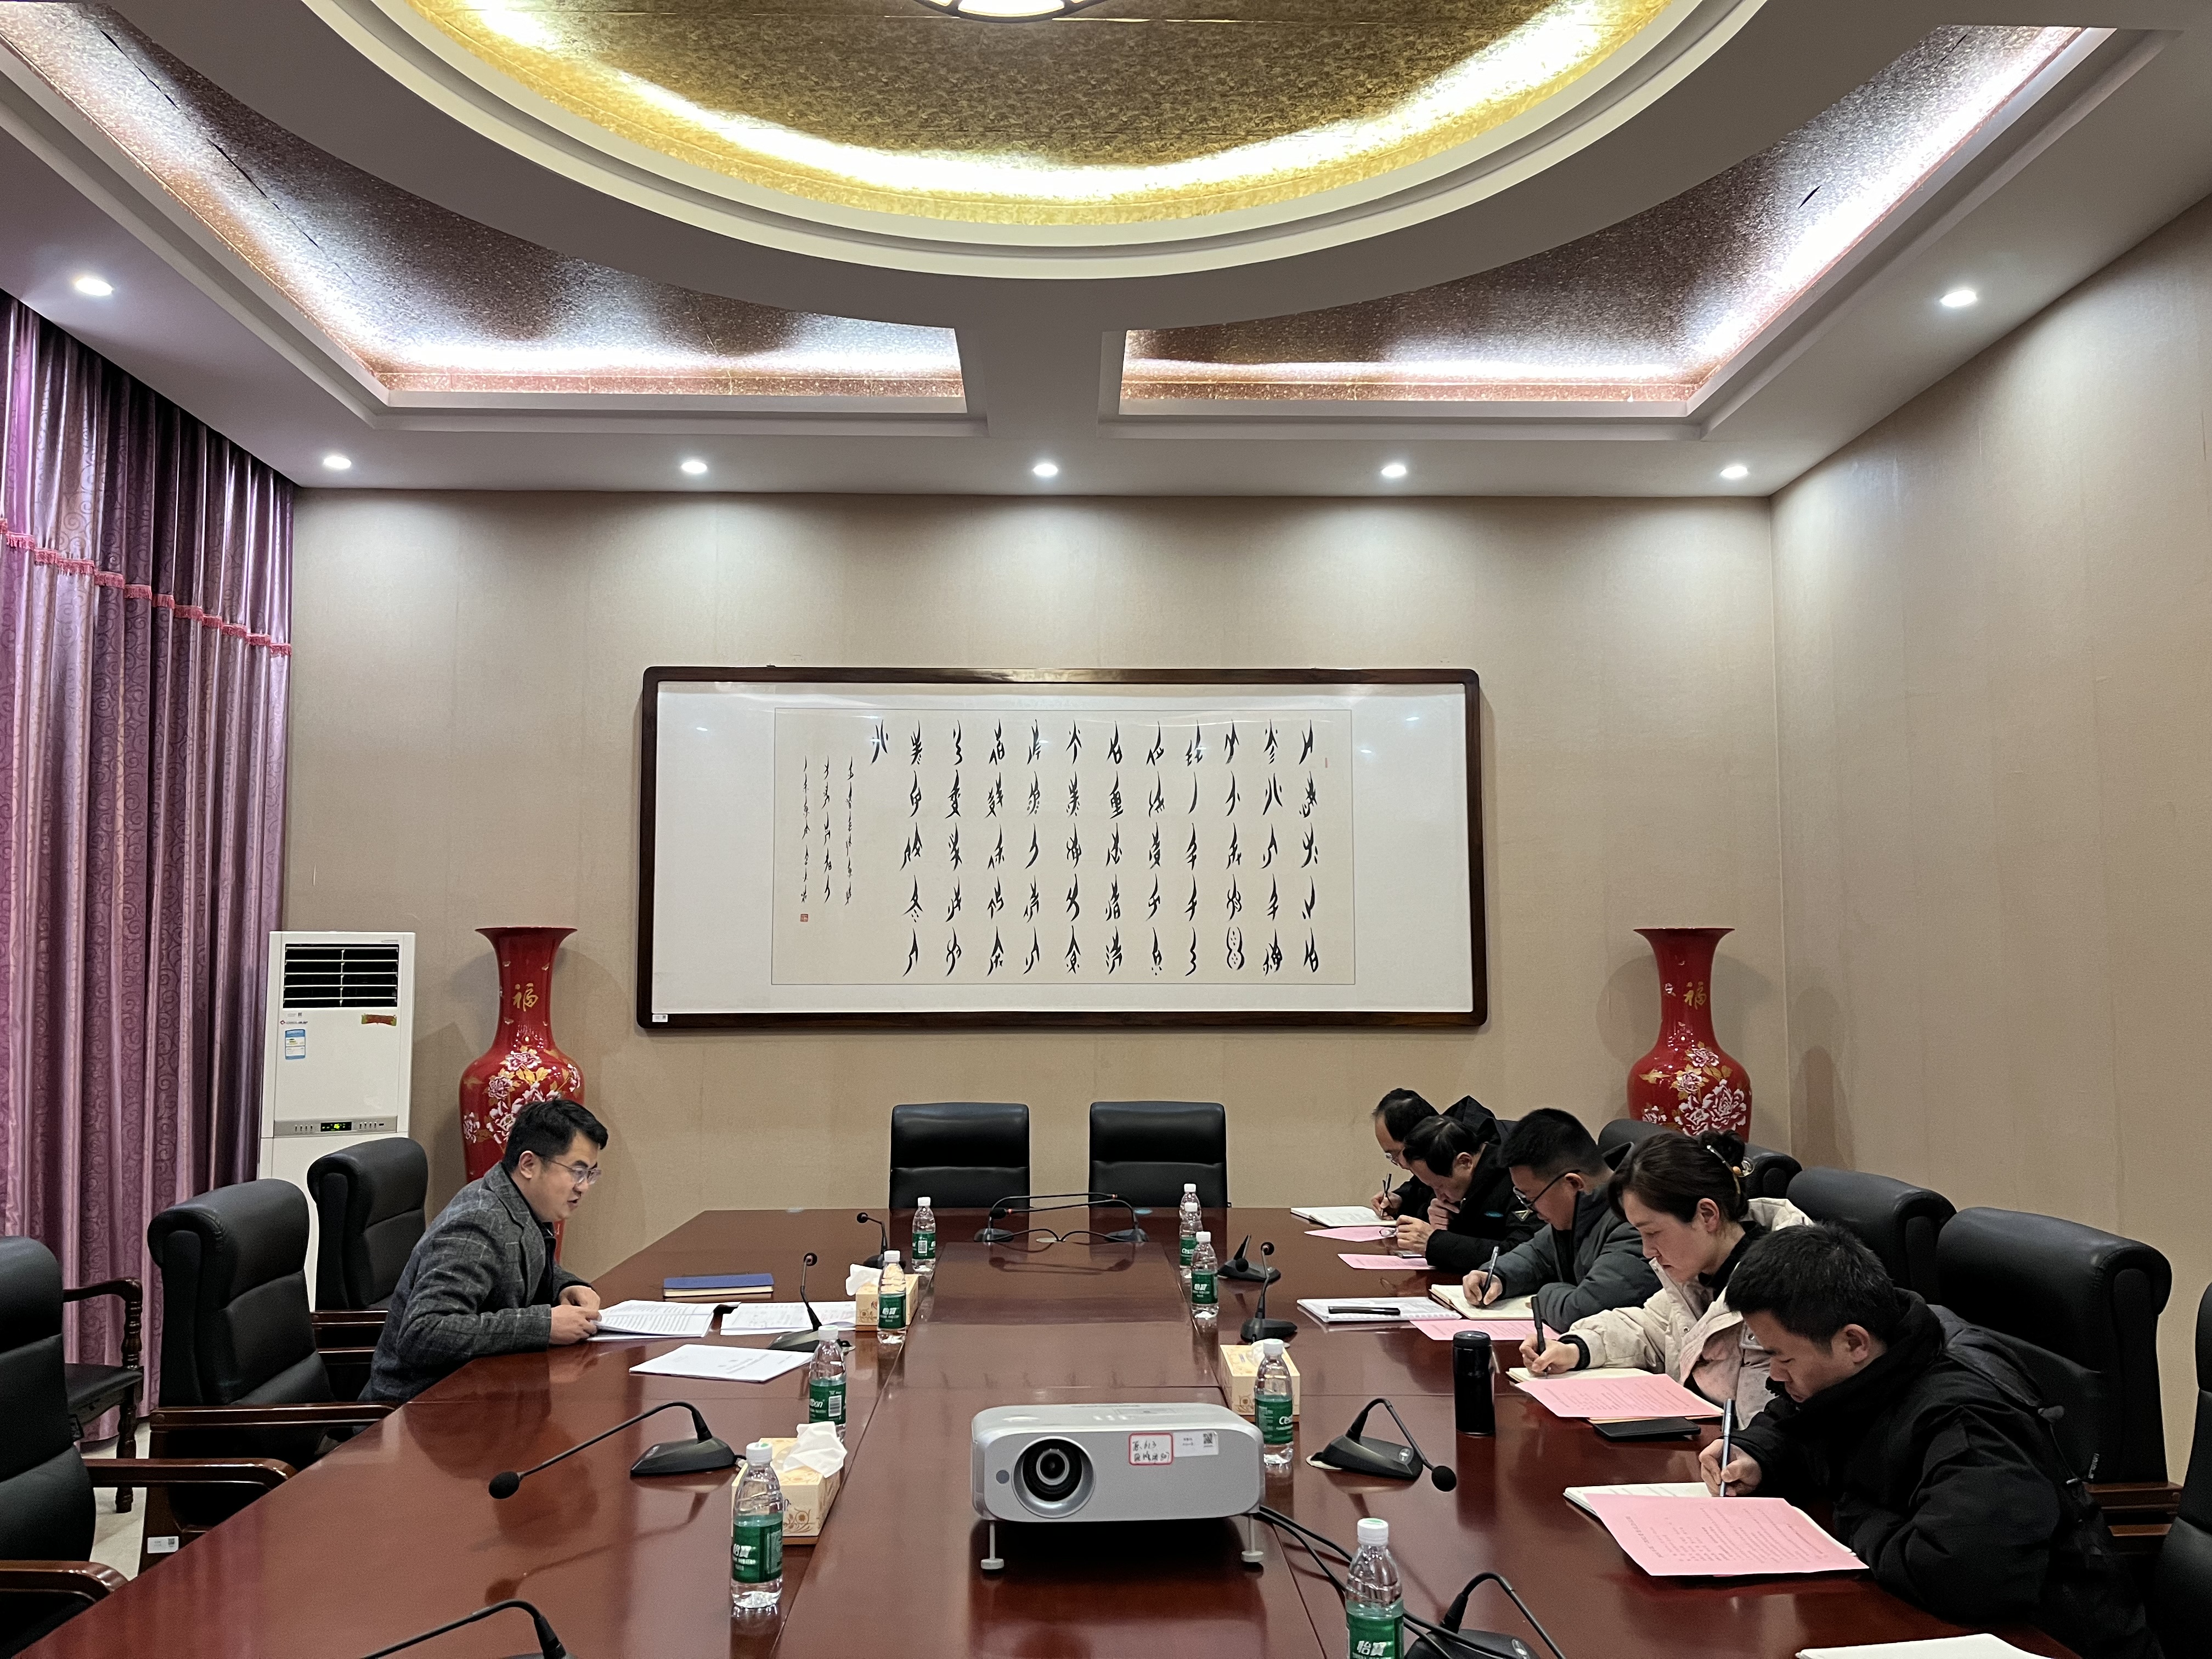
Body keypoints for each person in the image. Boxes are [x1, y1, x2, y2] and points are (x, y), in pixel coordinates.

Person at [1705, 1225, 2159, 1659]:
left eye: (1783, 1359)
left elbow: (1965, 1576)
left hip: (2051, 1640)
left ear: (1854, 1343)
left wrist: (1853, 1513)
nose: (1776, 1375)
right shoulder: (1882, 1351)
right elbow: (1803, 1418)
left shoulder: (1969, 1420)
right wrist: (1757, 1452)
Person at [1521, 1128, 1808, 1418]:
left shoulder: (1782, 1293)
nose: (1648, 1251)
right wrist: (1576, 1349)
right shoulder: (1702, 1270)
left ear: (1707, 1215)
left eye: (1653, 1233)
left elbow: (1762, 1425)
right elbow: (1652, 1328)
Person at [366, 1097, 608, 1404]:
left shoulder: (522, 1203)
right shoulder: (478, 1223)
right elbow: (424, 1332)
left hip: (479, 1391)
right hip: (421, 1409)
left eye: (590, 1174)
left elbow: (516, 1270)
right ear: (529, 1165)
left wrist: (565, 1285)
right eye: (577, 1171)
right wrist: (544, 1325)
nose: (583, 1186)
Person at [1457, 1108, 1656, 1329]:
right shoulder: (1580, 1210)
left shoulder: (1636, 1221)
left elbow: (1582, 1312)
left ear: (1573, 1184)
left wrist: (1543, 1294)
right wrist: (1496, 1276)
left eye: (1531, 1198)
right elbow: (1537, 1254)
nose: (1530, 1209)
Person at [1392, 1109, 1540, 1271]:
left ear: (1465, 1162)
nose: (1440, 1197)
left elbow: (1522, 1254)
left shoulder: (1515, 1178)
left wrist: (1436, 1243)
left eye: (1440, 1186)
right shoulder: (1467, 1183)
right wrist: (1445, 1225)